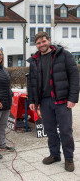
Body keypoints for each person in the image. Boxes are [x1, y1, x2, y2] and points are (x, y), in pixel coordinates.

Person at [27, 31, 79, 172]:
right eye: (38, 43)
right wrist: (32, 100)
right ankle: (55, 155)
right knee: (49, 130)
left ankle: (69, 158)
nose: (41, 45)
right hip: (44, 101)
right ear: (36, 45)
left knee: (65, 130)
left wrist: (72, 98)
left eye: (43, 41)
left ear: (48, 40)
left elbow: (74, 76)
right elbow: (31, 82)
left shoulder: (63, 55)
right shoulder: (34, 60)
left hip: (61, 100)